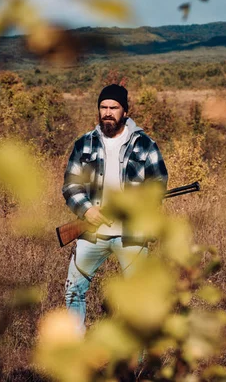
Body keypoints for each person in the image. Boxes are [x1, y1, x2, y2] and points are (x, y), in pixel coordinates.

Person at [62, 84, 168, 332]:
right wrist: (87, 210)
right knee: (73, 292)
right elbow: (70, 186)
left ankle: (136, 368)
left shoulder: (145, 144)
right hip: (91, 233)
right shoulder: (83, 144)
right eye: (103, 107)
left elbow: (158, 184)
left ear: (125, 112)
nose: (108, 112)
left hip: (132, 235)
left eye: (114, 107)